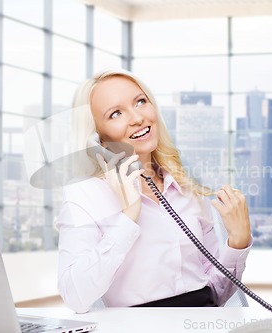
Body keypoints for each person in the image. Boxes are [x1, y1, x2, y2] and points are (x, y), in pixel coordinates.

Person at [55, 69, 252, 313]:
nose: (137, 118)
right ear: (98, 138)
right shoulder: (85, 195)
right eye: (116, 113)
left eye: (140, 102)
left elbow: (216, 294)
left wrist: (238, 243)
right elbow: (75, 296)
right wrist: (128, 217)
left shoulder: (186, 189)